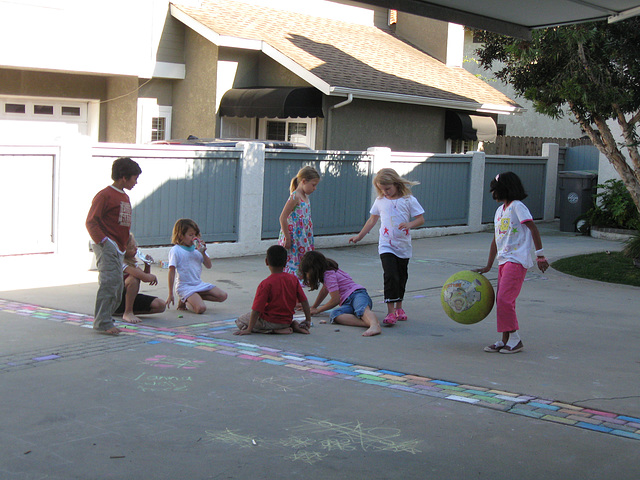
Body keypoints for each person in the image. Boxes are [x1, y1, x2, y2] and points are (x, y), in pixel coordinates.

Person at [474, 172, 549, 354]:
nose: (493, 194)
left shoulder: (518, 207)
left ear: (505, 189)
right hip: (503, 261)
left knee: (505, 300)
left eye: (496, 190)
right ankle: (505, 340)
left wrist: (540, 255)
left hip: (517, 260)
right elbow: (496, 239)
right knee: (503, 302)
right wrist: (488, 265)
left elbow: (533, 228)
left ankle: (515, 339)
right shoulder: (500, 211)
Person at [349, 168, 424, 326]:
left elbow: (420, 219)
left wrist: (410, 224)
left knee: (401, 277)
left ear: (396, 184)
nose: (386, 192)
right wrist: (359, 236)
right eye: (382, 189)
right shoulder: (380, 201)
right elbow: (372, 220)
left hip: (403, 246)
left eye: (388, 189)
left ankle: (399, 308)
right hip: (386, 245)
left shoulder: (408, 199)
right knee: (390, 276)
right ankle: (390, 312)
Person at [86, 157, 142, 335]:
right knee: (109, 284)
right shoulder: (105, 195)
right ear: (123, 177)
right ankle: (102, 322)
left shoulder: (124, 196)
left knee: (117, 286)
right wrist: (104, 241)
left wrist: (125, 246)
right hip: (107, 247)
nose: (136, 182)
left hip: (119, 248)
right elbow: (91, 222)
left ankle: (106, 318)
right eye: (134, 178)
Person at [299, 250, 381, 337]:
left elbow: (335, 300)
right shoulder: (327, 273)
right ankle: (370, 323)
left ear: (314, 269)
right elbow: (324, 291)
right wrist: (314, 307)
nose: (307, 275)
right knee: (335, 315)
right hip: (347, 302)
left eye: (307, 272)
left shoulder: (328, 275)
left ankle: (374, 325)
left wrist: (318, 310)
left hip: (357, 294)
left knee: (362, 309)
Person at [234, 245, 312, 335]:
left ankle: (273, 331)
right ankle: (291, 325)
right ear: (286, 262)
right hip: (287, 321)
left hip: (270, 322)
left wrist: (249, 329)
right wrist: (308, 320)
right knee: (251, 318)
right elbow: (304, 301)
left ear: (266, 261)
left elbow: (256, 309)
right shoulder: (293, 279)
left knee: (240, 320)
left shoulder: (266, 284)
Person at [165, 218, 227, 314]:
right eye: (190, 235)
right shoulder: (176, 250)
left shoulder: (197, 249)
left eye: (196, 235)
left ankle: (191, 298)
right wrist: (170, 293)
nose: (194, 238)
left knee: (222, 296)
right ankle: (184, 300)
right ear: (181, 236)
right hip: (185, 287)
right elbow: (171, 271)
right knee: (200, 309)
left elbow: (209, 265)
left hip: (198, 284)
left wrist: (203, 253)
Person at [278, 166, 321, 280]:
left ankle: (298, 287)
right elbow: (282, 217)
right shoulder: (295, 196)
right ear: (303, 181)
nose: (315, 188)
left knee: (303, 263)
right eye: (313, 184)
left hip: (303, 238)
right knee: (293, 263)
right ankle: (291, 285)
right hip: (294, 239)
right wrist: (287, 238)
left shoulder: (306, 198)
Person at [113, 233, 166, 324]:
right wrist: (152, 277)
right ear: (123, 250)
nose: (136, 249)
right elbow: (144, 278)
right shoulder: (122, 263)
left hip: (128, 299)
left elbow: (143, 275)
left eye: (136, 246)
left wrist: (147, 265)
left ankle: (125, 311)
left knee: (161, 305)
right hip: (117, 300)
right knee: (133, 280)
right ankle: (127, 312)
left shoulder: (131, 262)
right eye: (132, 248)